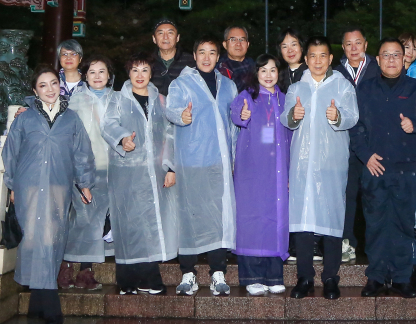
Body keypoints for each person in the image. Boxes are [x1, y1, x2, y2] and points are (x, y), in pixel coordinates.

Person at [2, 66, 95, 324]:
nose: (50, 89)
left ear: (60, 85)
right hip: (29, 185)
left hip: (58, 185)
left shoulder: (72, 119)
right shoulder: (25, 118)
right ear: (35, 90)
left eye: (54, 83)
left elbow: (82, 153)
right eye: (43, 85)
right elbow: (11, 153)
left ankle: (43, 305)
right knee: (33, 239)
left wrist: (85, 183)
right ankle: (50, 309)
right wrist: (12, 185)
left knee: (52, 240)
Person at [349, 38, 416, 298]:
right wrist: (366, 156)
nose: (391, 60)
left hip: (405, 168)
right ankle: (376, 277)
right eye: (385, 55)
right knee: (375, 224)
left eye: (396, 54)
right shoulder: (365, 89)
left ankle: (401, 277)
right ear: (378, 60)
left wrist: (414, 124)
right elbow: (355, 126)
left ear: (404, 58)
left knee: (403, 225)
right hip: (374, 167)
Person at [282, 36, 359, 300]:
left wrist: (338, 117)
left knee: (332, 219)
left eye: (323, 55)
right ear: (306, 59)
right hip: (302, 164)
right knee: (303, 219)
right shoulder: (296, 88)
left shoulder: (342, 85)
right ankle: (304, 277)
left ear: (330, 59)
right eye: (312, 56)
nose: (317, 61)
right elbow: (285, 118)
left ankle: (330, 277)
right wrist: (293, 115)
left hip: (331, 163)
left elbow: (353, 116)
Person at [166, 38, 238, 296]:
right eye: (202, 52)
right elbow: (171, 110)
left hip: (219, 161)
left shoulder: (228, 85)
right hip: (192, 161)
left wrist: (233, 158)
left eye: (212, 53)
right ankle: (188, 272)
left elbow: (233, 124)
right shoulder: (181, 83)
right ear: (194, 56)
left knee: (218, 216)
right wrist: (181, 116)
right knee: (190, 216)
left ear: (218, 57)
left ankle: (218, 272)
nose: (207, 58)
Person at [102, 54, 178, 295]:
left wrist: (170, 166)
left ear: (151, 73)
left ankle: (148, 278)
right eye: (135, 70)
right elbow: (108, 125)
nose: (140, 75)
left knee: (150, 224)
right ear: (128, 73)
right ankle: (127, 280)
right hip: (126, 172)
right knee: (128, 225)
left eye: (144, 70)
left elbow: (170, 133)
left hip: (155, 172)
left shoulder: (161, 101)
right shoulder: (117, 99)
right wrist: (122, 139)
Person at [229, 54, 292, 295]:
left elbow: (290, 134)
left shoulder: (284, 99)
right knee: (252, 220)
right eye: (263, 70)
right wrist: (242, 115)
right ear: (256, 73)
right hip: (252, 170)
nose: (268, 75)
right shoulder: (247, 96)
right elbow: (236, 113)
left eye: (272, 70)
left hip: (278, 171)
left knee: (276, 219)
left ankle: (273, 275)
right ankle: (252, 276)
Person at [61, 55, 114, 290]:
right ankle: (69, 267)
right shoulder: (76, 101)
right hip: (85, 167)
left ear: (109, 75)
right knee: (82, 219)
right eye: (92, 72)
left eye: (102, 71)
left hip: (112, 167)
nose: (97, 76)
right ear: (85, 76)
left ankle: (85, 269)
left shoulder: (118, 99)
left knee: (99, 220)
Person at [335, 27, 379, 263]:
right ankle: (347, 241)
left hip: (373, 144)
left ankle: (374, 244)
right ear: (343, 47)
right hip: (345, 143)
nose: (354, 48)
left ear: (366, 45)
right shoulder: (335, 72)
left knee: (373, 195)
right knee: (347, 194)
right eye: (349, 44)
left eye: (358, 43)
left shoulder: (378, 67)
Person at [151, 20, 194, 97]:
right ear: (154, 39)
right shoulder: (147, 62)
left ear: (177, 38)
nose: (165, 37)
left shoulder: (191, 61)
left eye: (170, 33)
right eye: (160, 33)